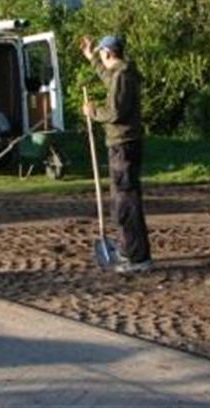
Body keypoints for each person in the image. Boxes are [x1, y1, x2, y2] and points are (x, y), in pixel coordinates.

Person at [80, 34, 152, 274]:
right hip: (123, 144)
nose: (100, 56)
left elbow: (115, 113)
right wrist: (91, 58)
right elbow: (107, 76)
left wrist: (93, 112)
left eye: (101, 53)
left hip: (123, 145)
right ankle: (130, 250)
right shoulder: (120, 74)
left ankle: (137, 258)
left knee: (126, 202)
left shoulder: (122, 76)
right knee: (122, 200)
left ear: (108, 52)